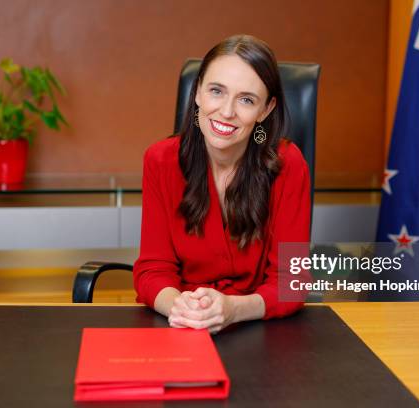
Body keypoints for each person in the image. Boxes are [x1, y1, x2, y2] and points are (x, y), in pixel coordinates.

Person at [133, 34, 311, 334]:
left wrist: (232, 310)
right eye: (216, 91)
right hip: (180, 324)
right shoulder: (160, 161)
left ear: (265, 110)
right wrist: (181, 308)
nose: (227, 112)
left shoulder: (289, 164)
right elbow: (153, 270)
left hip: (259, 326)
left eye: (246, 100)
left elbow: (291, 283)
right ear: (198, 92)